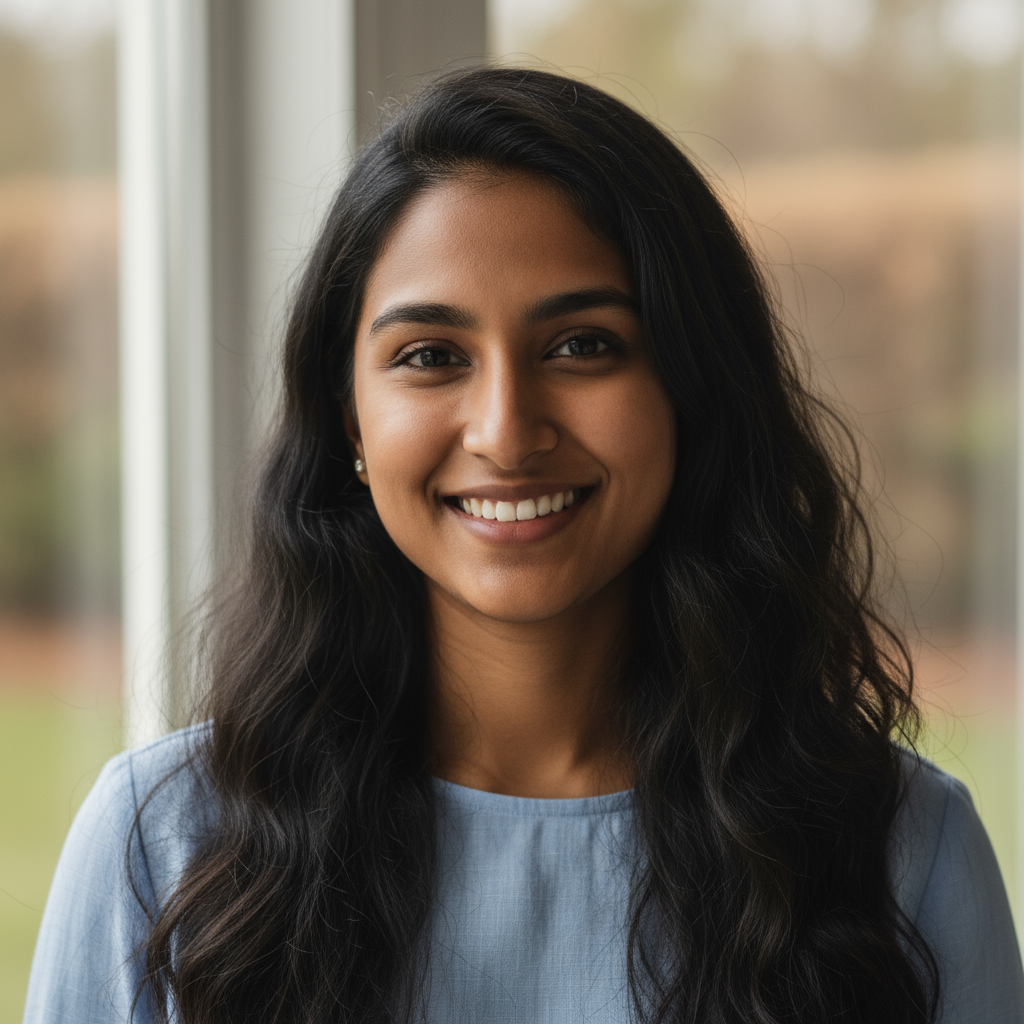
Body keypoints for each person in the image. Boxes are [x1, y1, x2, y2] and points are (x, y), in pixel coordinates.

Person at [23, 66, 1024, 1024]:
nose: (505, 429)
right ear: (349, 424)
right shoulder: (160, 848)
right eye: (430, 356)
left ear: (691, 387)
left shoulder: (902, 854)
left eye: (583, 344)